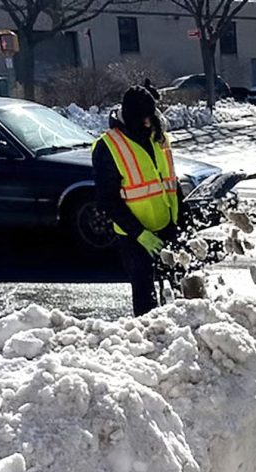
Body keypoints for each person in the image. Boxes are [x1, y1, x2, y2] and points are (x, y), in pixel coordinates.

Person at [92, 85, 180, 317]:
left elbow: (170, 180)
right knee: (144, 295)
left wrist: (180, 219)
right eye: (143, 118)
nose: (148, 123)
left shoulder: (158, 137)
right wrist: (140, 234)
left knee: (179, 287)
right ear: (131, 117)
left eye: (151, 116)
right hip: (134, 236)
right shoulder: (108, 147)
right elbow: (107, 199)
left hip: (166, 226)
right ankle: (148, 333)